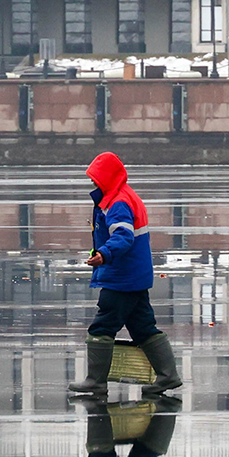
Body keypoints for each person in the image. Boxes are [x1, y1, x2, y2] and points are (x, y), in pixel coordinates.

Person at [68, 152, 181, 397]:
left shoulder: (117, 202)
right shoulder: (123, 196)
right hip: (133, 276)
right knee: (143, 328)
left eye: (95, 179)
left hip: (122, 277)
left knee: (101, 327)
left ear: (106, 178)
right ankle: (167, 376)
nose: (93, 183)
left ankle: (95, 381)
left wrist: (104, 255)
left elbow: (123, 236)